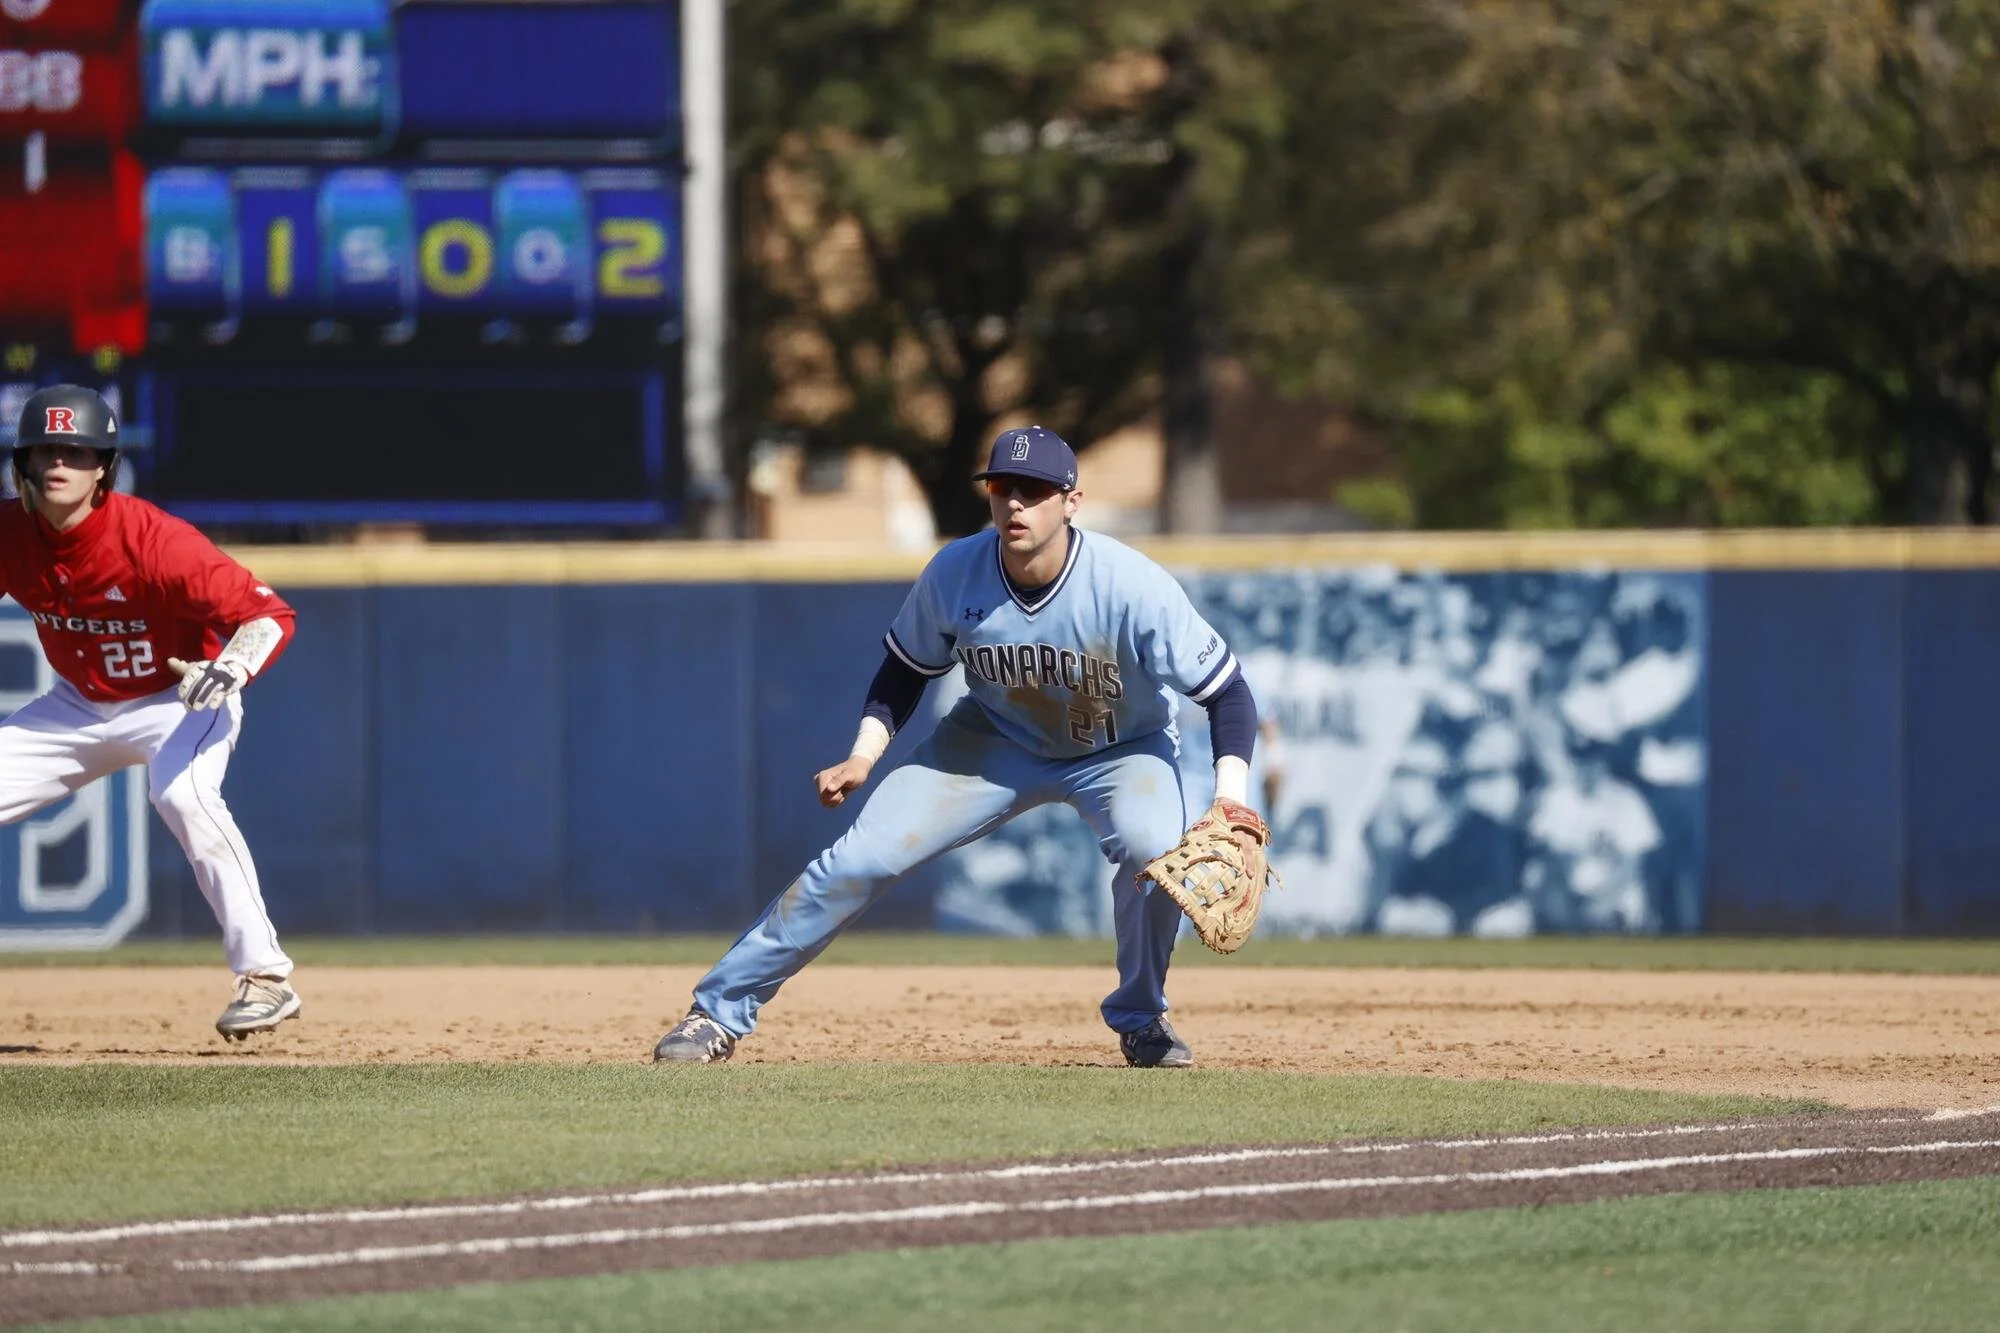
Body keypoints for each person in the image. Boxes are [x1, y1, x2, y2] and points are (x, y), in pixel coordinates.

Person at [653, 425, 1261, 1067]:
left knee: (1155, 856)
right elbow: (905, 670)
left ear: (1072, 501)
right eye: (1003, 487)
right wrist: (864, 754)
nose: (1016, 503)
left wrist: (1231, 803)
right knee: (858, 861)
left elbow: (1229, 694)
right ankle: (714, 1015)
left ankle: (1143, 1018)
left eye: (1035, 489)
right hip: (992, 740)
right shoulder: (956, 571)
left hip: (1119, 749)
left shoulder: (1132, 586)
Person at [0, 385, 301, 1039]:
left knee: (183, 793)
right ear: (21, 462)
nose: (60, 462)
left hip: (180, 699)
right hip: (77, 705)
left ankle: (266, 978)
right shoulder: (11, 535)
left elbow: (270, 614)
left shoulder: (153, 540)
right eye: (46, 449)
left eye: (77, 451)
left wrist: (231, 667)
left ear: (103, 467)